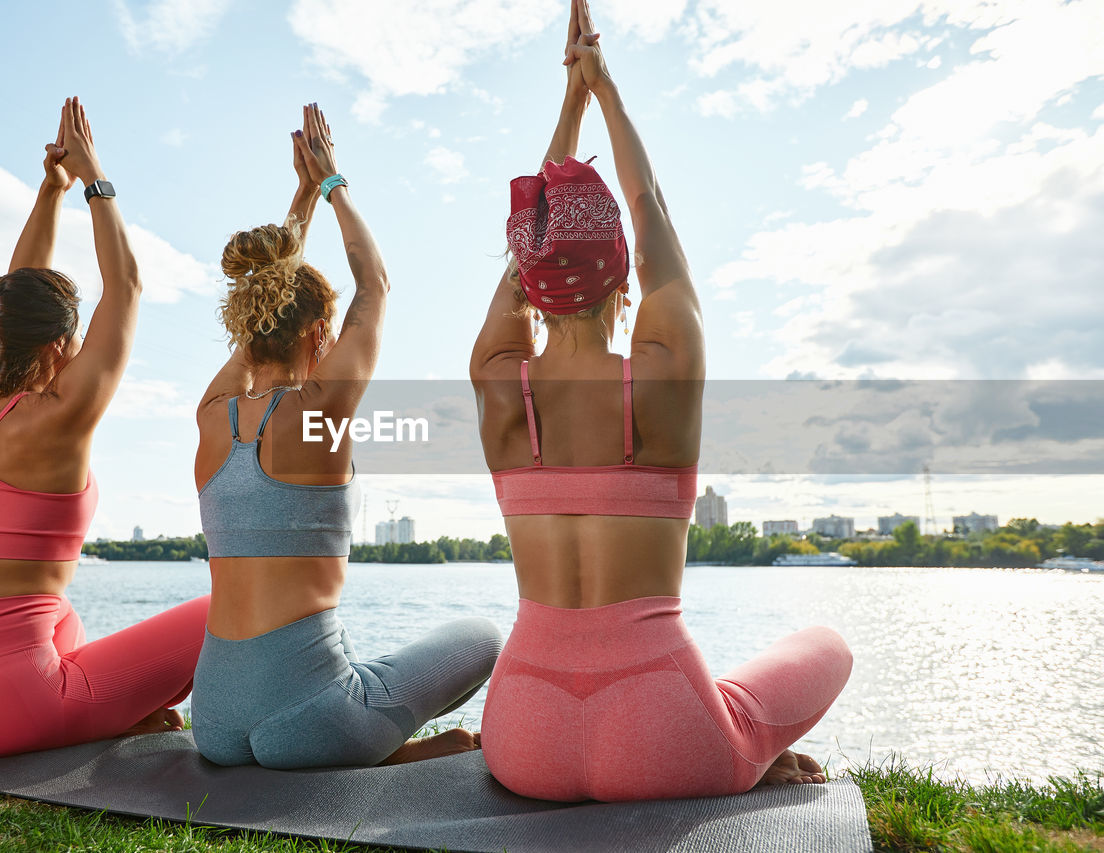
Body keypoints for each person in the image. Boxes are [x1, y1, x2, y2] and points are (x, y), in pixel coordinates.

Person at [470, 1, 853, 802]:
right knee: (826, 644)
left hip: (522, 736)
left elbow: (526, 247)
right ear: (621, 283)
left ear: (531, 289)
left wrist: (567, 107)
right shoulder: (663, 367)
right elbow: (656, 223)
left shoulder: (499, 378)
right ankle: (736, 749)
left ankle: (727, 744)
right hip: (660, 731)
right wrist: (603, 90)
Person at [0, 98, 211, 759]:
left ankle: (96, 711)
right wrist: (95, 179)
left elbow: (13, 292)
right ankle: (86, 711)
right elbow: (128, 285)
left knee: (60, 615)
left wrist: (50, 189)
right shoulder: (60, 416)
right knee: (235, 602)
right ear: (61, 345)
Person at [189, 104, 503, 769]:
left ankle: (381, 743)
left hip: (213, 718)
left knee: (342, 672)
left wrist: (299, 200)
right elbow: (376, 284)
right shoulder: (320, 409)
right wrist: (334, 184)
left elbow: (263, 316)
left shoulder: (213, 412)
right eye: (326, 333)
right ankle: (383, 749)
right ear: (315, 336)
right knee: (483, 636)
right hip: (310, 723)